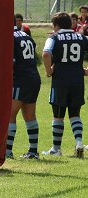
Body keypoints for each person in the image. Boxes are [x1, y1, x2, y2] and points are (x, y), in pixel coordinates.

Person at [42, 12, 88, 158]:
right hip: (77, 81)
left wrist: (48, 70)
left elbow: (46, 53)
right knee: (75, 114)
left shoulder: (54, 37)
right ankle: (79, 142)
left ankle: (56, 149)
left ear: (56, 25)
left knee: (58, 115)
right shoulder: (81, 37)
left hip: (60, 81)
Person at [5, 21, 41, 160]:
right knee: (30, 115)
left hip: (20, 79)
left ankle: (7, 151)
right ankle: (33, 151)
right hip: (33, 77)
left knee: (10, 114)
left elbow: (11, 61)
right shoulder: (26, 35)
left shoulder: (10, 37)